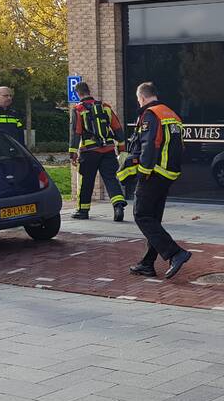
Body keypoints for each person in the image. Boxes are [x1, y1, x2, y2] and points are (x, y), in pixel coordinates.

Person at [116, 82, 191, 279]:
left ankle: (175, 253)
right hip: (168, 174)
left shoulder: (150, 115)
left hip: (154, 174)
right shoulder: (171, 114)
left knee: (141, 215)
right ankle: (147, 264)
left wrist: (143, 173)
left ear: (141, 97)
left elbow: (150, 146)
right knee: (153, 219)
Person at [69, 82, 127, 221]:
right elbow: (117, 127)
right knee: (111, 178)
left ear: (78, 93)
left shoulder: (78, 109)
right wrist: (121, 147)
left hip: (89, 151)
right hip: (107, 150)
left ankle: (83, 211)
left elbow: (76, 132)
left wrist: (73, 152)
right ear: (89, 91)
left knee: (86, 181)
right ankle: (118, 206)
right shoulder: (105, 107)